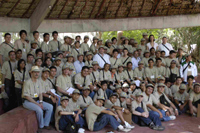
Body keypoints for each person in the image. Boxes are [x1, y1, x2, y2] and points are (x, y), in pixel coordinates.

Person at [22, 66, 53, 132]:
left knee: (50, 107)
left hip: (37, 100)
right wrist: (38, 104)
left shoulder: (39, 81)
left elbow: (40, 93)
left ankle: (46, 124)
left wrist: (41, 102)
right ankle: (41, 126)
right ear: (31, 73)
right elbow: (27, 96)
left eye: (38, 72)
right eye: (35, 72)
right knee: (39, 110)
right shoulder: (27, 82)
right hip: (28, 101)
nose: (36, 74)